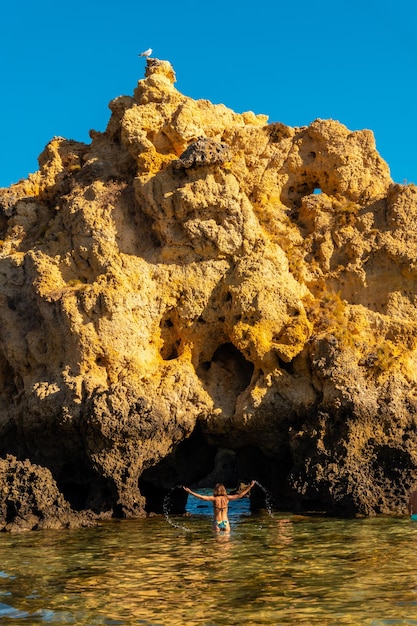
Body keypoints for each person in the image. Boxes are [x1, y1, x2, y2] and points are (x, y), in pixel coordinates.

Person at [183, 481, 256, 532]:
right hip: (226, 522)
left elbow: (202, 497)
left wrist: (191, 492)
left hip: (217, 522)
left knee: (217, 544)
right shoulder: (227, 498)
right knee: (227, 545)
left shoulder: (214, 499)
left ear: (215, 490)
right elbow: (240, 495)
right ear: (224, 490)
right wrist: (250, 487)